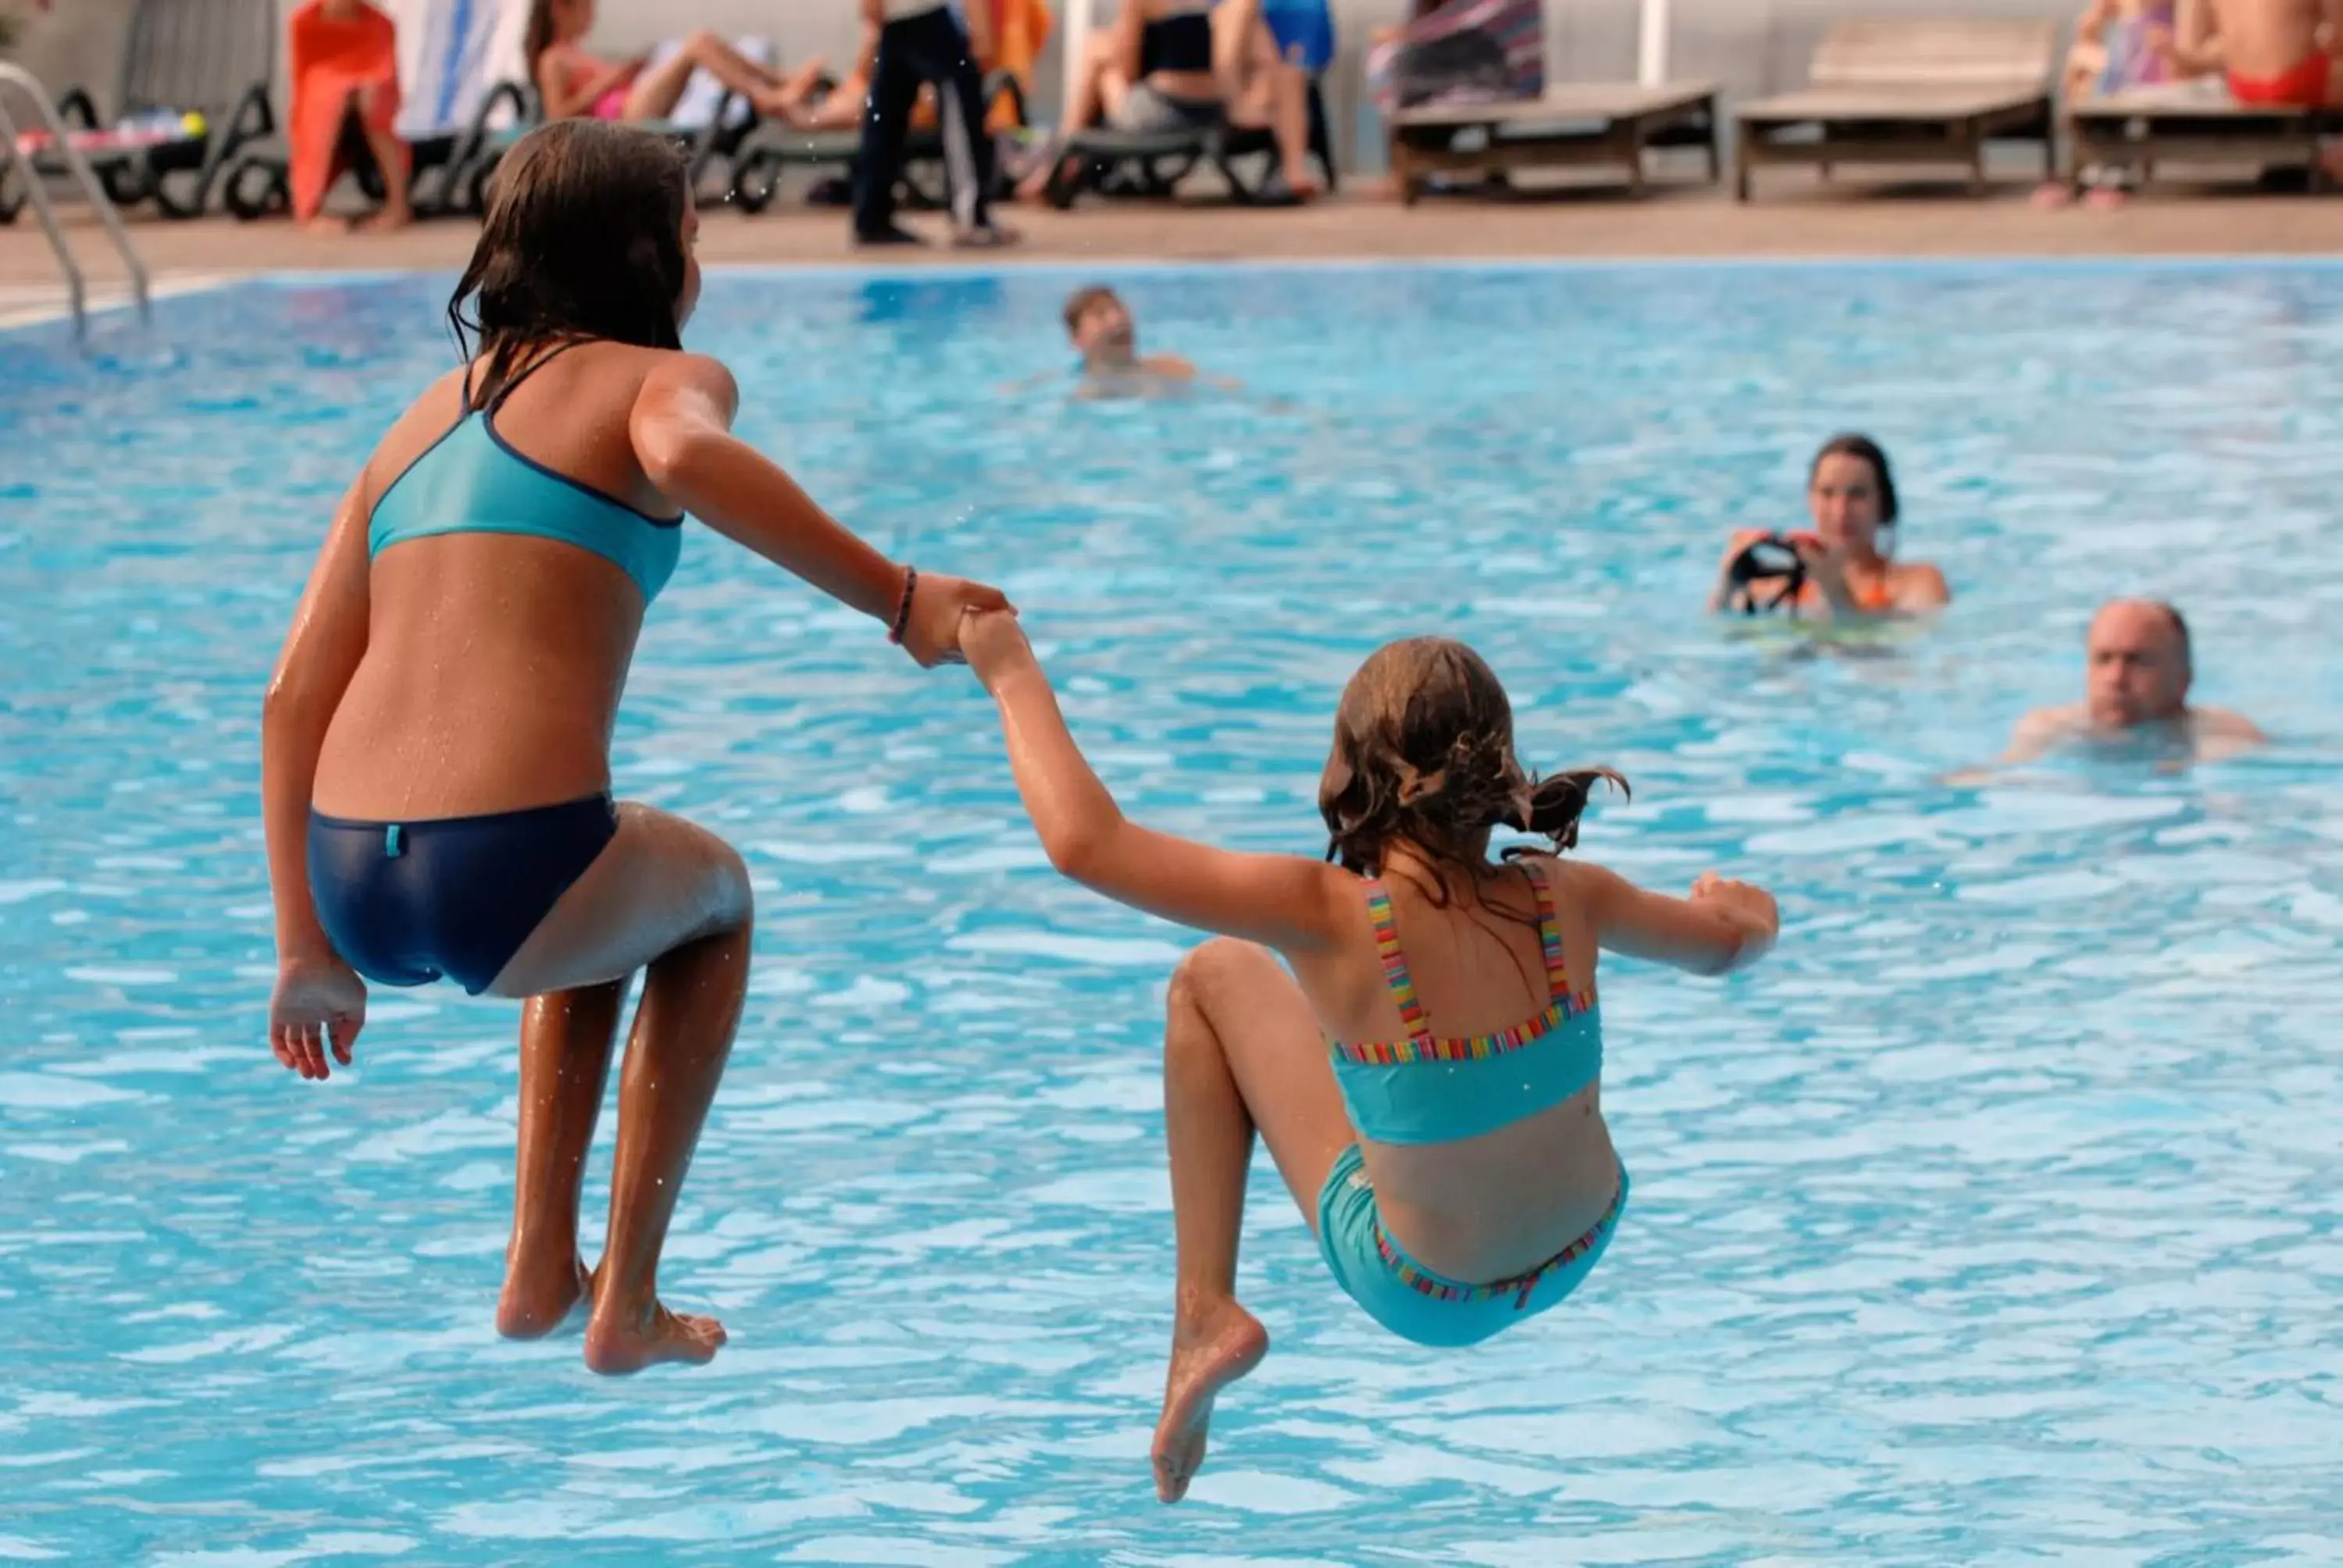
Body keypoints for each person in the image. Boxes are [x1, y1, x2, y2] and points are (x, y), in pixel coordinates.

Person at [261, 121, 1008, 1377]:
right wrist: (899, 597)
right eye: (694, 239)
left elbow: (289, 702)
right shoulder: (660, 379)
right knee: (712, 900)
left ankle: (540, 1267)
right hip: (503, 870)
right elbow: (687, 459)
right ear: (650, 255)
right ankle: (630, 1300)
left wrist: (305, 951)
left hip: (353, 887)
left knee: (612, 873)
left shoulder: (409, 427)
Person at [961, 622, 1780, 1502]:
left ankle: (1205, 1312)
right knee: (1403, 1065)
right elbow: (1729, 948)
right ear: (1498, 770)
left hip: (1428, 1287)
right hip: (1584, 1237)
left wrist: (1007, 668)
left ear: (1351, 776)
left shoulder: (1328, 915)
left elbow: (1087, 845)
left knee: (1214, 973)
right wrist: (1745, 910)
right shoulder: (1568, 896)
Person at [1016, 0, 1321, 205]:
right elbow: (1263, 59)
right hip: (1220, 109)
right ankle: (1295, 169)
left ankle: (1064, 158)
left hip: (1158, 113)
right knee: (1288, 73)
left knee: (1099, 57)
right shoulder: (1237, 6)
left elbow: (1128, 67)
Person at [1992, 598, 2266, 766]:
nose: (2116, 678)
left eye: (2137, 661)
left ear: (2183, 679)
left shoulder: (2222, 735)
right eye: (2103, 659)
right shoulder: (2049, 729)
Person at [1710, 435, 1951, 621]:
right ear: (1810, 500)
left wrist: (1835, 591)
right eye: (1827, 493)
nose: (1841, 510)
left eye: (1857, 495)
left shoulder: (1917, 583)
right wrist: (1727, 583)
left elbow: (1897, 665)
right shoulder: (1774, 587)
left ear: (1883, 504)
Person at [851, 0, 1018, 248]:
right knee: (960, 102)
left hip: (897, 16)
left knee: (886, 116)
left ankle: (872, 217)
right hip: (925, 12)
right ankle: (968, 216)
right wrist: (981, 31)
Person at [526, 0, 823, 124]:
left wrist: (629, 72)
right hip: (625, 114)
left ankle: (778, 82)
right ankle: (769, 94)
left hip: (631, 99)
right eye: (586, 8)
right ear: (559, 9)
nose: (592, 16)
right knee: (697, 44)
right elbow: (557, 116)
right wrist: (610, 81)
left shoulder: (578, 51)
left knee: (703, 40)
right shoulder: (553, 59)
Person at [288, 0, 412, 230]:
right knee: (327, 99)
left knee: (372, 99)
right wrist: (341, 89)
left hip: (372, 109)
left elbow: (387, 76)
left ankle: (398, 206)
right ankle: (311, 208)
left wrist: (358, 86)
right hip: (324, 108)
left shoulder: (380, 23)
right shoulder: (304, 22)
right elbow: (304, 81)